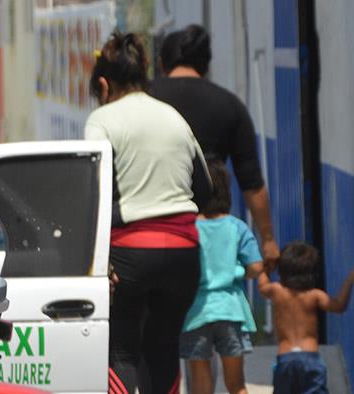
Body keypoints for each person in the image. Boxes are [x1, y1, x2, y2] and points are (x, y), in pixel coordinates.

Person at [84, 31, 211, 394]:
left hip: (131, 255)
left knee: (122, 349)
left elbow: (94, 193)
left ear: (104, 84)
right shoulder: (174, 118)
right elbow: (204, 190)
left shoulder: (103, 120)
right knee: (163, 347)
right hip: (184, 253)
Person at [150, 24, 279, 267]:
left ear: (161, 63)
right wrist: (268, 239)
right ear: (206, 66)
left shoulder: (145, 98)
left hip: (154, 229)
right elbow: (252, 183)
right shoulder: (230, 105)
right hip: (210, 234)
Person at [180, 160, 268, 394]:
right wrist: (237, 271)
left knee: (200, 383)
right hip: (230, 310)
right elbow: (257, 266)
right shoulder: (236, 227)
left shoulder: (188, 228)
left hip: (195, 312)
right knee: (236, 384)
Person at [258, 242, 354, 394]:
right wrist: (349, 281)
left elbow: (262, 286)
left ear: (283, 270)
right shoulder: (314, 295)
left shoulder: (277, 291)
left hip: (285, 358)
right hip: (310, 357)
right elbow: (339, 306)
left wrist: (266, 267)